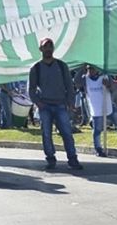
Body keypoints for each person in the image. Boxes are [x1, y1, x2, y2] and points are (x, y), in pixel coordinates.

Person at [28, 38, 83, 171]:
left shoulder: (61, 66)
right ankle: (50, 159)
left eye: (50, 46)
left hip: (60, 105)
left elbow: (69, 86)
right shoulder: (36, 68)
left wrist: (70, 102)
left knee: (67, 133)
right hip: (45, 106)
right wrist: (38, 103)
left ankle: (72, 159)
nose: (48, 49)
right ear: (40, 49)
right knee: (46, 134)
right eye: (45, 46)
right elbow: (31, 89)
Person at [84, 64, 114, 157]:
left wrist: (108, 85)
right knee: (97, 129)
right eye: (89, 69)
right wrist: (82, 68)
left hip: (108, 105)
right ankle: (98, 149)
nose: (91, 71)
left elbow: (114, 88)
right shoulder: (85, 79)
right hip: (95, 108)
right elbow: (77, 82)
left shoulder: (105, 77)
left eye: (93, 69)